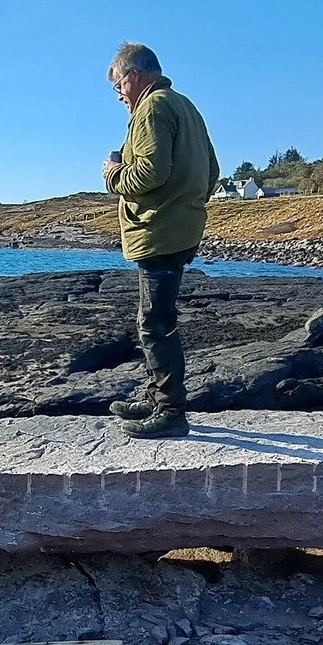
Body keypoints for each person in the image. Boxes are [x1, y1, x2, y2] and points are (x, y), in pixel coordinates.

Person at [102, 42, 219, 439]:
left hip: (160, 230)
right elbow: (213, 171)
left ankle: (170, 411)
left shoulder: (151, 108)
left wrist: (113, 174)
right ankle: (157, 398)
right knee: (156, 319)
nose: (118, 94)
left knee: (155, 324)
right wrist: (188, 205)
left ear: (134, 75)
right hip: (179, 227)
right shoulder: (184, 104)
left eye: (118, 85)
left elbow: (149, 173)